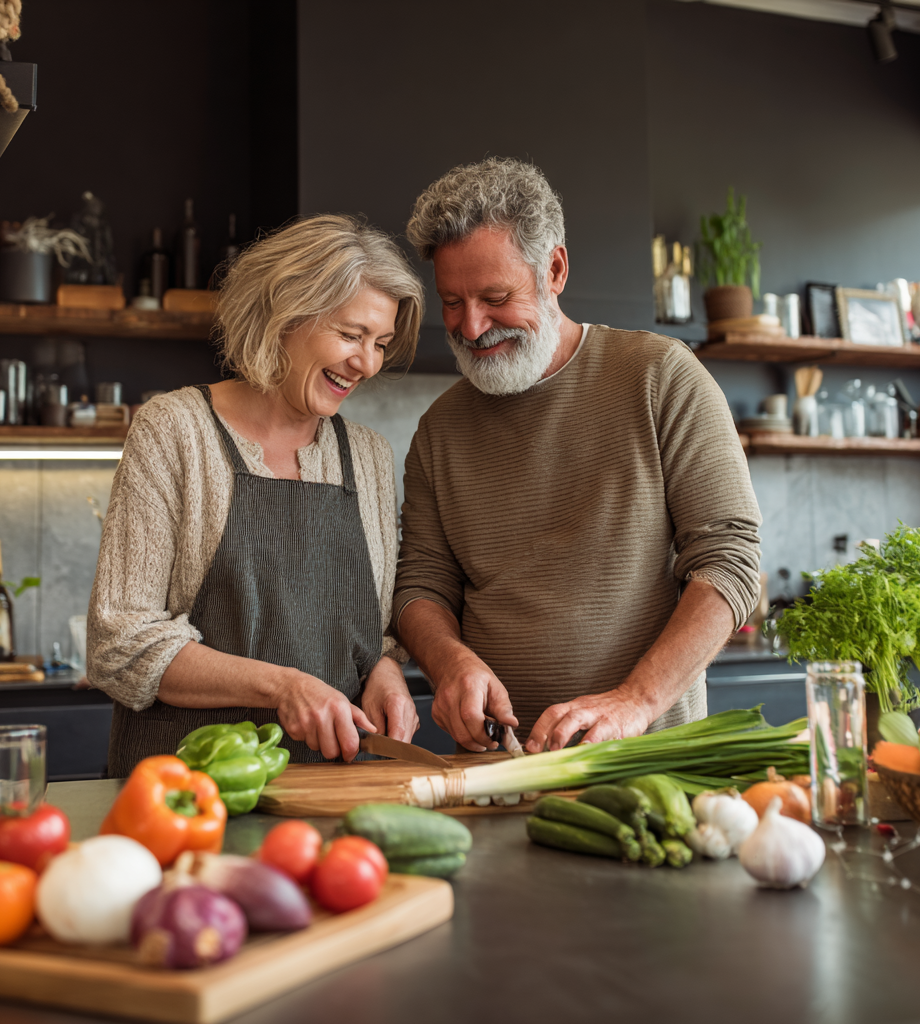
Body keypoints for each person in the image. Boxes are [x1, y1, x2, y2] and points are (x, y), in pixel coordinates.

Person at [393, 158, 762, 755]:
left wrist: (634, 703)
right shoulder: (440, 430)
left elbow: (730, 561)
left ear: (555, 269)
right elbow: (420, 586)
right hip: (501, 764)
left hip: (647, 759)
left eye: (495, 296)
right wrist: (448, 662)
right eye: (452, 301)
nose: (471, 325)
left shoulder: (660, 377)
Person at [87, 214, 424, 775]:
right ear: (284, 316)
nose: (367, 364)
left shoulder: (367, 455)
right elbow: (121, 643)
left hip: (330, 784)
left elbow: (374, 636)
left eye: (380, 343)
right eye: (350, 335)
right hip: (188, 788)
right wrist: (282, 686)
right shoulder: (173, 430)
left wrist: (385, 674)